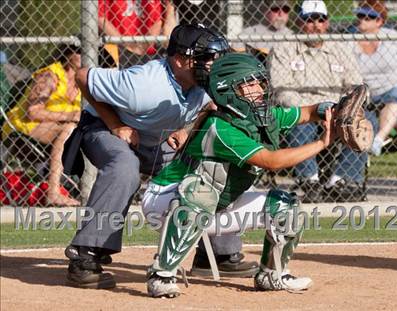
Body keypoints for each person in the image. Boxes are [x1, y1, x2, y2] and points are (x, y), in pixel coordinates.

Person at [64, 24, 258, 289]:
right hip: (105, 127)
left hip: (155, 136)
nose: (213, 63)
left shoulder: (205, 82)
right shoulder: (142, 85)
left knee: (208, 166)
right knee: (124, 165)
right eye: (205, 57)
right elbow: (83, 76)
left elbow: (206, 108)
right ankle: (85, 257)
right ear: (179, 60)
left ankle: (218, 253)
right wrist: (114, 124)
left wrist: (185, 129)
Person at [142, 52, 337, 298]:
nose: (258, 88)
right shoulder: (220, 128)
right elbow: (272, 161)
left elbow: (306, 113)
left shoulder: (256, 117)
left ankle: (272, 274)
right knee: (200, 193)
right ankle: (161, 275)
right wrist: (322, 143)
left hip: (215, 205)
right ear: (228, 92)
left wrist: (331, 110)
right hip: (165, 201)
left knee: (285, 206)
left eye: (259, 82)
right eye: (249, 84)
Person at [268, 0, 377, 203]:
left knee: (366, 119)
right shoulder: (285, 47)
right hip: (303, 108)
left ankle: (342, 181)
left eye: (320, 19)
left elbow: (355, 83)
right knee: (299, 123)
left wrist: (348, 108)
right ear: (300, 22)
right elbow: (280, 88)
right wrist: (310, 111)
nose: (315, 24)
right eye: (309, 19)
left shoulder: (340, 48)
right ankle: (310, 181)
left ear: (327, 22)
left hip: (338, 109)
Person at [2, 44, 82, 206]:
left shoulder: (84, 81)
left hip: (58, 133)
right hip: (24, 128)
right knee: (70, 129)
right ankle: (53, 192)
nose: (83, 55)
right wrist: (71, 116)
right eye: (78, 51)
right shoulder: (51, 75)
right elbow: (33, 112)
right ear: (67, 54)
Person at [352, 0, 397, 156]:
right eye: (360, 15)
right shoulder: (350, 42)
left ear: (379, 21)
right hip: (377, 94)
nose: (362, 19)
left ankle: (379, 139)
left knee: (395, 99)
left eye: (368, 17)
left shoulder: (391, 36)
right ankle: (380, 139)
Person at [98, 0, 177, 68]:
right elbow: (100, 18)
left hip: (149, 52)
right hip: (118, 51)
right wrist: (126, 45)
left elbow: (159, 22)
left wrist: (139, 48)